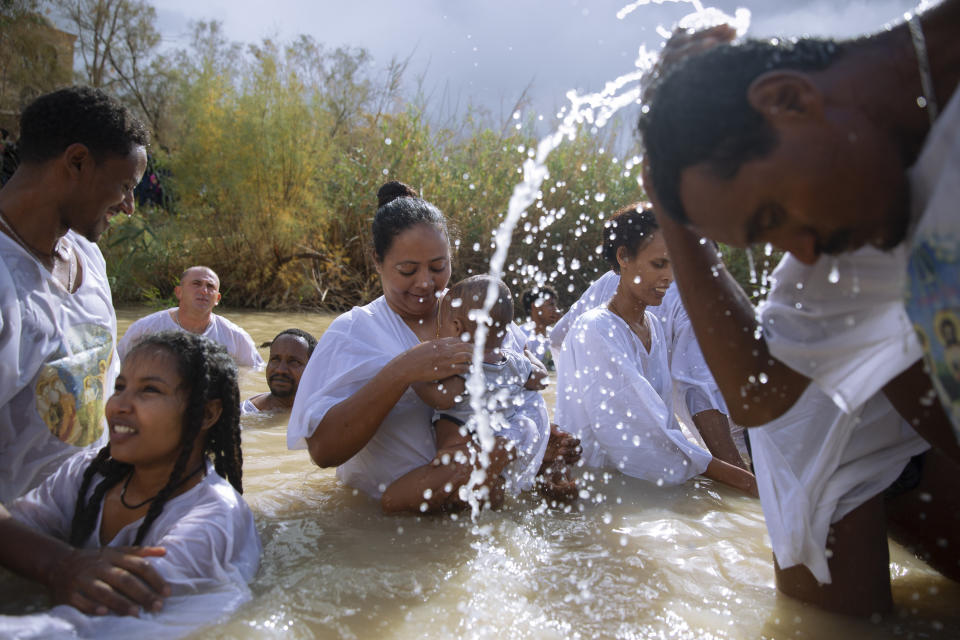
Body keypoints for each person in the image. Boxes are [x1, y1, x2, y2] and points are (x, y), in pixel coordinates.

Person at [638, 2, 960, 447]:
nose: (804, 252)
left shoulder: (857, 192)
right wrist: (662, 183)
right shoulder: (864, 207)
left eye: (771, 217)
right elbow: (757, 391)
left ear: (787, 99)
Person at [288, 181, 574, 512]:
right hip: (388, 531)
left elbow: (517, 395)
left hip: (476, 521)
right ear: (377, 261)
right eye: (407, 270)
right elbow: (322, 452)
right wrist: (401, 372)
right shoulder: (354, 332)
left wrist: (550, 443)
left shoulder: (482, 313)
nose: (426, 282)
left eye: (438, 267)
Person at [0, 86, 171, 616]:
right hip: (23, 560)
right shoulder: (6, 287)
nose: (129, 205)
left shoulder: (88, 258)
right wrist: (58, 566)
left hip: (90, 528)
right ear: (76, 161)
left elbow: (106, 388)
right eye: (124, 185)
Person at [2, 332, 261, 637]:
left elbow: (96, 628)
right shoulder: (87, 474)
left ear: (206, 414)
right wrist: (59, 564)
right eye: (119, 387)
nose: (119, 406)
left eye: (149, 390)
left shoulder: (213, 519)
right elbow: (14, 535)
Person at [554, 204, 756, 496]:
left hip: (638, 483)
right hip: (600, 489)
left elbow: (664, 425)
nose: (670, 278)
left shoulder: (653, 326)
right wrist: (747, 483)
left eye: (675, 265)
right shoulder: (596, 329)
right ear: (623, 257)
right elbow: (649, 438)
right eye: (659, 265)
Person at [382, 275, 568, 513]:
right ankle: (494, 471)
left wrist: (412, 374)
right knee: (497, 486)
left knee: (392, 500)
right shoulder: (513, 362)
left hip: (465, 445)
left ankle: (475, 459)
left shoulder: (463, 364)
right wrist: (528, 356)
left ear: (457, 328)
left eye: (442, 325)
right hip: (505, 434)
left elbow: (442, 398)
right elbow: (541, 378)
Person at [551, 271, 749, 470]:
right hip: (723, 437)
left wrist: (583, 400)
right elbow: (698, 392)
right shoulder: (693, 295)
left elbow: (558, 337)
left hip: (599, 459)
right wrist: (740, 473)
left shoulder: (643, 311)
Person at [118, 266, 264, 368]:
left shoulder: (235, 336)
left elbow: (253, 373)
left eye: (210, 286)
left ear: (218, 298)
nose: (204, 291)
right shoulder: (145, 329)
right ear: (179, 292)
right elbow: (117, 364)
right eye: (196, 284)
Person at [242, 328, 317, 414]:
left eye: (294, 362)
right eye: (275, 360)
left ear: (312, 369)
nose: (280, 370)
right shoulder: (243, 415)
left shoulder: (322, 413)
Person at [520, 285, 562, 370]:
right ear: (535, 306)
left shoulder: (555, 336)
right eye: (551, 304)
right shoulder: (520, 336)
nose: (556, 310)